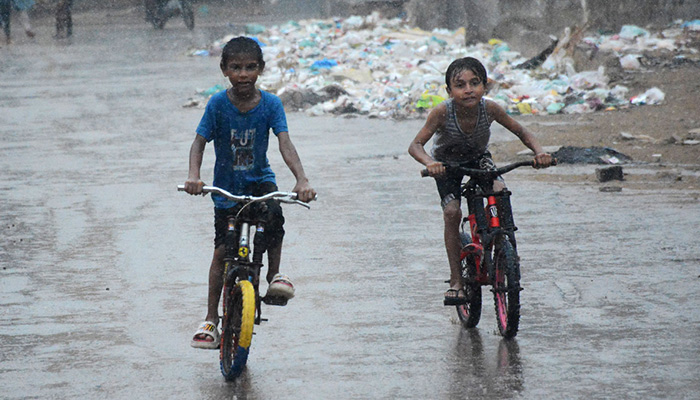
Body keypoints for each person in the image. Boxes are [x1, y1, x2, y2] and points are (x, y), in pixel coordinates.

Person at [183, 36, 316, 349]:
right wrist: (193, 177)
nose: (243, 74)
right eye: (236, 68)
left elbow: (284, 142)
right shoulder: (217, 104)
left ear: (261, 69)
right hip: (226, 189)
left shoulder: (271, 104)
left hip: (260, 182)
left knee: (275, 218)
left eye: (250, 67)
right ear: (224, 70)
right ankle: (211, 319)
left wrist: (302, 180)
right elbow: (199, 143)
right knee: (221, 251)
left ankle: (275, 276)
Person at [408, 57, 552, 305]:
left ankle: (507, 250)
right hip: (447, 165)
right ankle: (456, 281)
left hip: (478, 159)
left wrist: (540, 153)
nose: (468, 90)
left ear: (485, 86)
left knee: (500, 190)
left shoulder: (491, 109)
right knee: (452, 212)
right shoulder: (442, 112)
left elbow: (522, 132)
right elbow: (415, 145)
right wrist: (430, 163)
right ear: (449, 91)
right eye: (460, 85)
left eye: (475, 83)